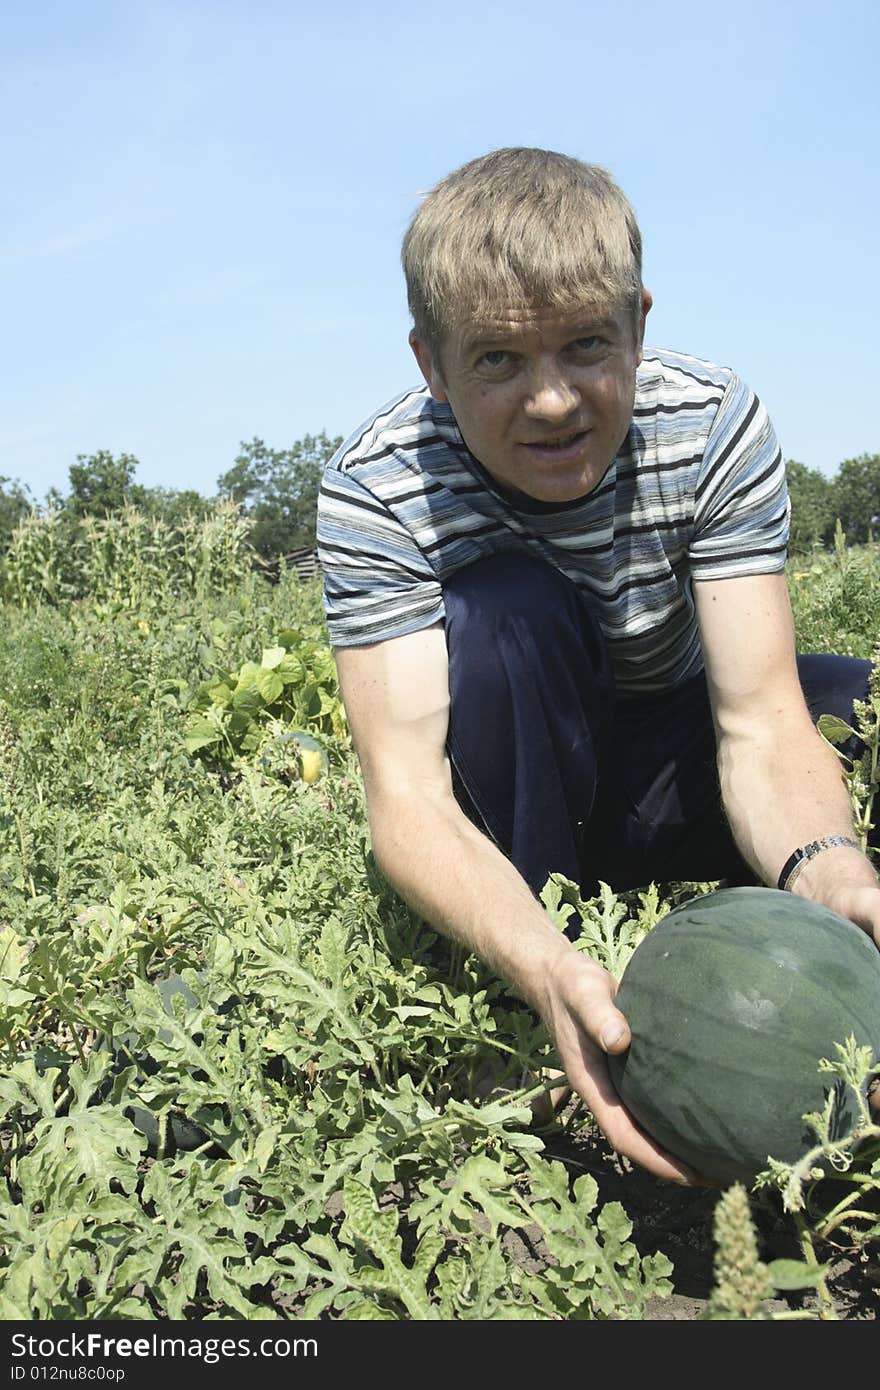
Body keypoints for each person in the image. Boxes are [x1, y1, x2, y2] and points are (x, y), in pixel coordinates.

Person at [316, 147, 880, 1184]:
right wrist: (541, 961)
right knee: (502, 611)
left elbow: (757, 720)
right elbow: (407, 799)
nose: (551, 402)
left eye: (586, 347)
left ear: (638, 323)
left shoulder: (711, 425)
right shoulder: (380, 489)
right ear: (430, 363)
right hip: (515, 787)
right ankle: (551, 960)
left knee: (860, 705)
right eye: (495, 361)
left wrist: (823, 863)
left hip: (675, 757)